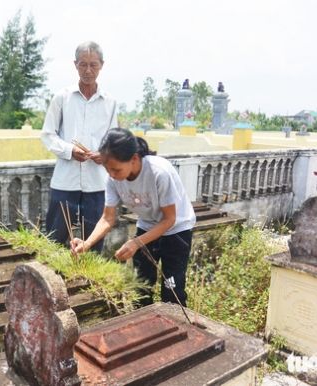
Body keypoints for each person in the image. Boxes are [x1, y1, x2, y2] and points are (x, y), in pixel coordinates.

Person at [70, 128, 196, 307]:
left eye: (116, 169)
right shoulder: (113, 179)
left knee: (172, 291)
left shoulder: (159, 173)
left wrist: (136, 243)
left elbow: (169, 219)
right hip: (147, 227)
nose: (112, 175)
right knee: (141, 287)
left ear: (134, 159)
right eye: (107, 169)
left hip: (176, 231)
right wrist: (87, 244)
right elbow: (108, 218)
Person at [41, 41, 118, 251]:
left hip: (96, 184)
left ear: (102, 65)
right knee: (54, 241)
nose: (88, 70)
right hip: (65, 182)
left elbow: (113, 139)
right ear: (75, 65)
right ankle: (52, 282)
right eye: (83, 64)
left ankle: (87, 283)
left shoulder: (110, 102)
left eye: (93, 65)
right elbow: (47, 135)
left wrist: (105, 155)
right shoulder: (62, 98)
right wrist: (69, 150)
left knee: (93, 244)